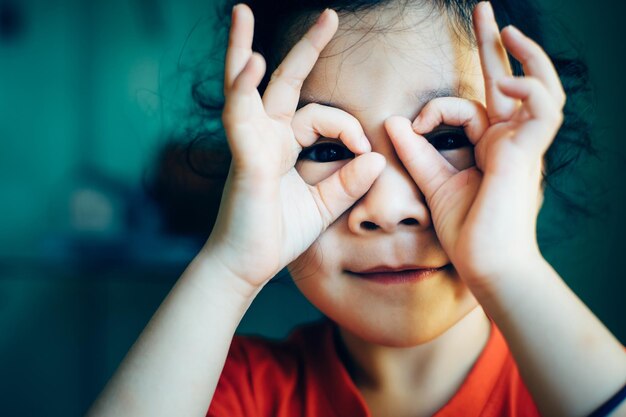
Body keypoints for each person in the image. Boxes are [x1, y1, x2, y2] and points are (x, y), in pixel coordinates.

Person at [87, 1, 626, 416]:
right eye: (325, 149)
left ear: (532, 162)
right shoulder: (240, 393)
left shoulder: (564, 390)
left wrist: (511, 266)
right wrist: (229, 267)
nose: (388, 209)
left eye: (444, 137)